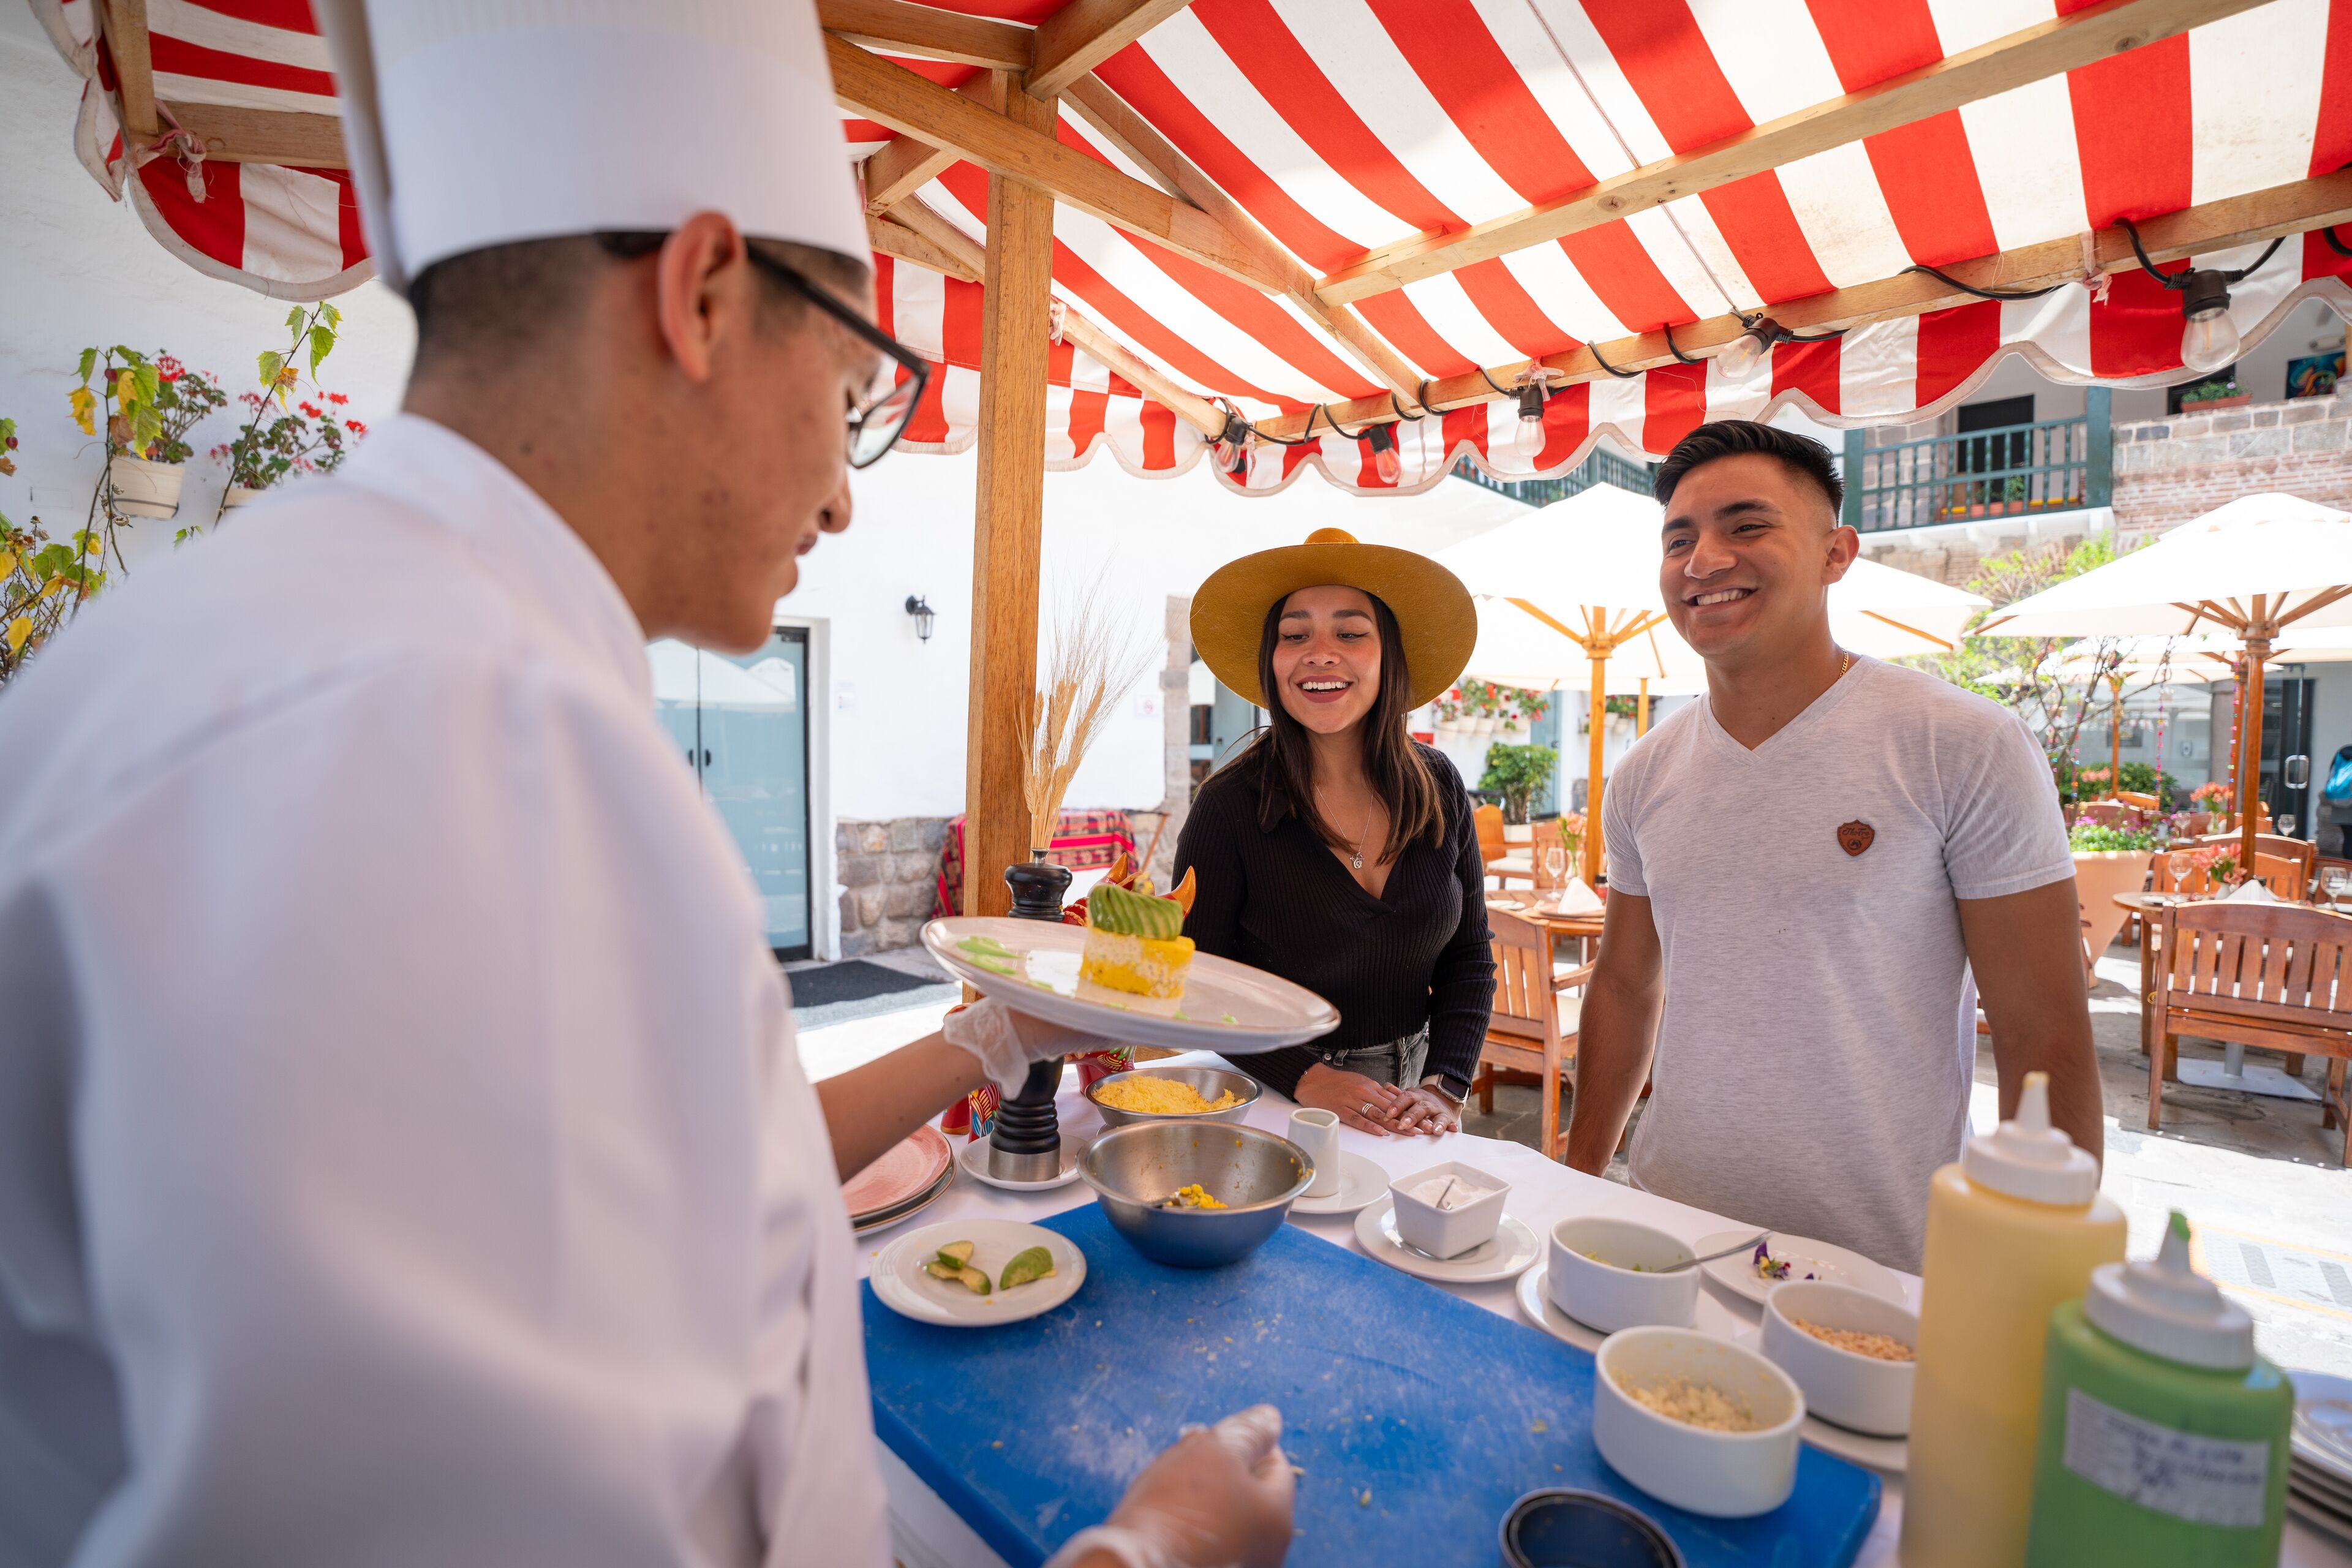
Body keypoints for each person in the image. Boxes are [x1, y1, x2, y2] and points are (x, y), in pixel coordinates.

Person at [0, 5, 1292, 1566]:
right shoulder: (463, 753)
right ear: (702, 293)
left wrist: (997, 1029)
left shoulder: (323, 647)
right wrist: (1152, 1547)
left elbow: (687, 1174)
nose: (836, 484)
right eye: (855, 386)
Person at [1563, 421, 2102, 1273]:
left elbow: (2045, 1033)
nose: (1703, 560)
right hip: (1666, 1231)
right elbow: (1627, 985)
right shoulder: (1644, 774)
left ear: (1835, 553)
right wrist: (1580, 1180)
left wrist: (2041, 1282)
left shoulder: (1959, 744)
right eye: (1680, 538)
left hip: (1883, 1258)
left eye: (1747, 526)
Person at [1177, 529, 1496, 1137]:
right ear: (1273, 662)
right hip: (1273, 1091)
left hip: (1418, 1093)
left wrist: (1446, 1085)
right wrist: (1306, 1075)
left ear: (1388, 657)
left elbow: (1470, 955)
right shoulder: (1228, 807)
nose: (1319, 652)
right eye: (1294, 635)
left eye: (1350, 632)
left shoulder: (1440, 786)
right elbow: (1196, 983)